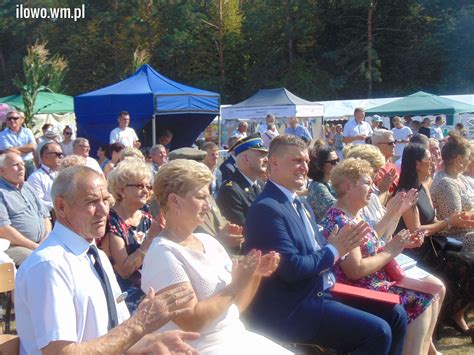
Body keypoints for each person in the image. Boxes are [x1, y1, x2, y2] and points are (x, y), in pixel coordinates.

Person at [244, 135, 407, 355]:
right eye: (296, 161)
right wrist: (334, 250)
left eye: (306, 161)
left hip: (320, 292)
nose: (304, 167)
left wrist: (336, 248)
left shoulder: (299, 204)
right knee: (378, 332)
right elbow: (292, 268)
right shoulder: (267, 208)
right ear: (273, 163)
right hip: (294, 307)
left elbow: (320, 251)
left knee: (396, 314)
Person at [15, 165, 199, 354]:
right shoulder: (49, 266)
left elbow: (112, 336)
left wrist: (151, 340)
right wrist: (138, 325)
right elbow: (61, 352)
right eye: (91, 202)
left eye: (105, 200)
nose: (104, 210)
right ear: (61, 207)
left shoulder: (95, 255)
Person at [141, 159, 291, 354]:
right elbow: (193, 323)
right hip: (200, 348)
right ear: (174, 200)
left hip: (235, 338)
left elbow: (234, 308)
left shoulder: (209, 242)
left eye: (208, 196)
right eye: (201, 197)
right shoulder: (162, 254)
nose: (209, 206)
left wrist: (255, 275)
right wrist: (237, 284)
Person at [321, 158, 442, 355]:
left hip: (374, 284)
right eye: (367, 183)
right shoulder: (341, 220)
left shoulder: (354, 215)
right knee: (421, 299)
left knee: (432, 293)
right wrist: (390, 251)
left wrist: (399, 243)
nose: (373, 188)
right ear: (348, 187)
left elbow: (372, 246)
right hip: (355, 291)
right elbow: (355, 270)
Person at [396, 143, 474, 337]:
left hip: (433, 246)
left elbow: (433, 221)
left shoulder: (423, 187)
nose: (433, 164)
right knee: (468, 267)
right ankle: (452, 315)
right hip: (417, 253)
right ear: (417, 164)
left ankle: (454, 313)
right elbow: (417, 231)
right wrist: (448, 222)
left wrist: (456, 220)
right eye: (428, 161)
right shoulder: (407, 193)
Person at [101, 159, 160, 313]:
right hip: (124, 298)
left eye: (148, 186)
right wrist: (150, 240)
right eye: (139, 186)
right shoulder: (110, 221)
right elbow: (124, 270)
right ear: (121, 190)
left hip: (151, 288)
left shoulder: (147, 219)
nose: (146, 191)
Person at [0, 151, 51, 266]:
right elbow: (4, 230)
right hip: (14, 245)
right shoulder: (1, 193)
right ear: (2, 171)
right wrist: (36, 247)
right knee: (39, 261)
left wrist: (47, 237)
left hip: (42, 242)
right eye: (15, 165)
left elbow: (45, 216)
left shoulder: (28, 187)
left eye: (22, 164)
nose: (22, 168)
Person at [431, 132, 474, 249]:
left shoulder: (460, 177)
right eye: (468, 158)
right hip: (455, 237)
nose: (470, 161)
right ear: (459, 159)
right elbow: (457, 220)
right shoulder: (446, 183)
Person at [216, 136, 267, 226]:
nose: (266, 159)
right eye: (261, 155)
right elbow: (242, 231)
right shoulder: (231, 191)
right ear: (246, 159)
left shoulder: (261, 184)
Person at [27, 142, 63, 211]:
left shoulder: (63, 173)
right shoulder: (35, 177)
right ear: (45, 156)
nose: (61, 157)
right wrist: (60, 206)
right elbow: (37, 202)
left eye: (61, 154)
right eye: (58, 154)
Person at [307, 144, 338, 223]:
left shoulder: (332, 181)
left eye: (338, 160)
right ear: (320, 164)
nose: (337, 164)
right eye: (333, 162)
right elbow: (337, 207)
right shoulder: (317, 186)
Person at [0, 110, 36, 177]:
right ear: (6, 121)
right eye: (9, 118)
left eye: (15, 118)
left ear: (21, 120)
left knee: (30, 185)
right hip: (13, 165)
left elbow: (33, 147)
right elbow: (8, 151)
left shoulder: (27, 131)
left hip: (28, 164)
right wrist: (26, 150)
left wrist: (14, 149)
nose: (12, 120)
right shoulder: (2, 134)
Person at [371, 129, 399, 203]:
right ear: (376, 145)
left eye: (394, 142)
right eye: (390, 143)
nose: (394, 145)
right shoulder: (373, 170)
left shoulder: (392, 165)